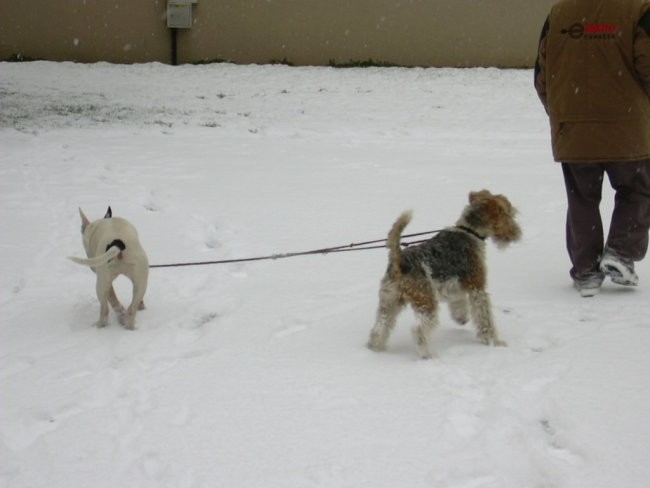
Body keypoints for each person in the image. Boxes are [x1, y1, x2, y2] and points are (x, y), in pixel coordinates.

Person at [534, 0, 650, 296]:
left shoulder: (560, 11)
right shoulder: (638, 9)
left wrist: (561, 113)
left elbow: (542, 73)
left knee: (581, 197)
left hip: (573, 124)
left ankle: (586, 270)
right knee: (637, 188)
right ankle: (622, 253)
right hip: (627, 125)